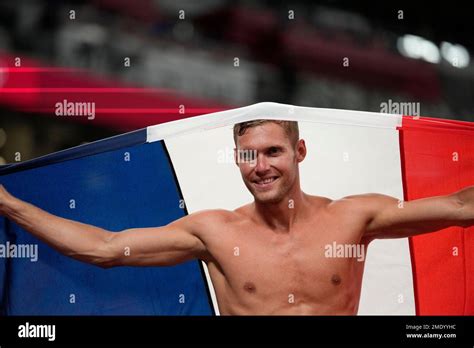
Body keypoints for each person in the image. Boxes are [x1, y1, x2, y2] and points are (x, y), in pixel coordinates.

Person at [0, 120, 473, 315]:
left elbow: (459, 206)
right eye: (249, 154)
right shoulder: (213, 231)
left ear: (299, 152)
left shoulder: (355, 216)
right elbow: (104, 248)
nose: (261, 166)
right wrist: (7, 203)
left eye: (273, 152)